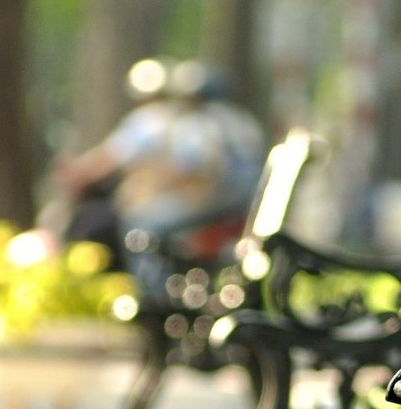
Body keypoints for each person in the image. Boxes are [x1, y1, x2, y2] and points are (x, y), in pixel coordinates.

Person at [47, 59, 264, 281]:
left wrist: (155, 186)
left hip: (215, 203)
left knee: (140, 224)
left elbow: (196, 170)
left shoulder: (200, 122)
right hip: (246, 204)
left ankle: (150, 290)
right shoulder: (243, 121)